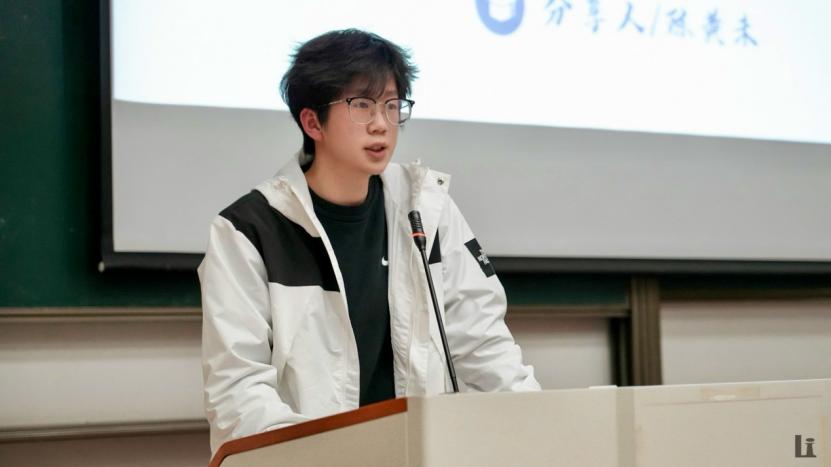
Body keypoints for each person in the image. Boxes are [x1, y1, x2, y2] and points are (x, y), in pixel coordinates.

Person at [199, 28, 540, 454]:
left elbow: (483, 344)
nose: (381, 123)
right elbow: (239, 392)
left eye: (392, 105)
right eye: (361, 105)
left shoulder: (426, 209)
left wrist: (542, 433)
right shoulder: (248, 231)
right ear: (312, 122)